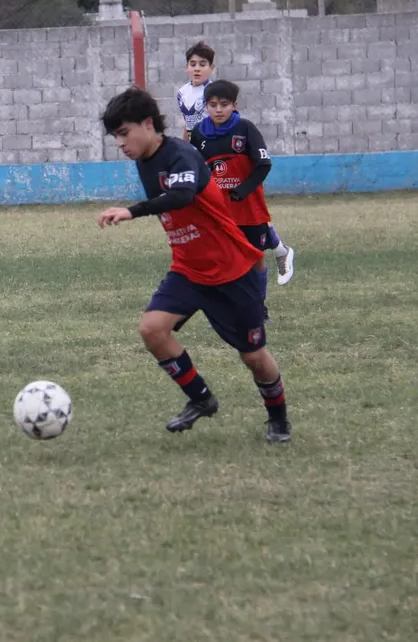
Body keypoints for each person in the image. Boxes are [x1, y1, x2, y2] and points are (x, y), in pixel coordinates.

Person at [97, 86, 291, 443]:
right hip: (189, 270)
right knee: (152, 330)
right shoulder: (143, 162)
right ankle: (201, 399)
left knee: (253, 356)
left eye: (124, 133)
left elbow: (182, 195)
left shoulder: (181, 154)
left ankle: (278, 419)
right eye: (115, 137)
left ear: (147, 123)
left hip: (232, 270)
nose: (120, 143)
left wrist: (132, 211)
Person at [189, 80, 295, 319]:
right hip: (218, 210)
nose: (218, 110)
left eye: (224, 104)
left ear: (234, 105)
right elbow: (195, 167)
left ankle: (258, 309)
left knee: (254, 260)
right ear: (206, 106)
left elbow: (264, 164)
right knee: (223, 261)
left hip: (248, 207)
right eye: (213, 105)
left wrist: (243, 190)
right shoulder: (198, 134)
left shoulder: (245, 129)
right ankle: (227, 310)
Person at [177, 41, 215, 142]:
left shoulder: (214, 91)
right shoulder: (182, 92)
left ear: (211, 68)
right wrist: (185, 146)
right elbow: (187, 124)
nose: (197, 69)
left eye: (202, 65)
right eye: (193, 64)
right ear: (187, 67)